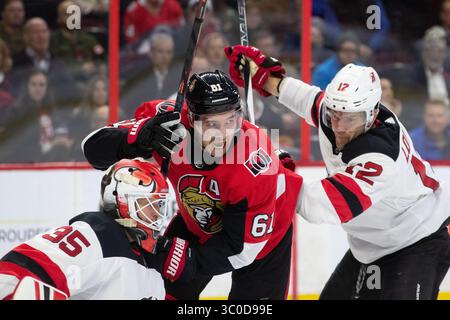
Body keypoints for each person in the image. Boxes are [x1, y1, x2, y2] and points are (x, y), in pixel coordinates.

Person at [225, 45, 450, 299]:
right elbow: (307, 98)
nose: (339, 126)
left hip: (419, 240)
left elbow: (322, 205)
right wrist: (266, 79)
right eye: (334, 114)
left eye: (348, 119)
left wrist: (269, 174)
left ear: (371, 114)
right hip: (372, 245)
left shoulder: (380, 158)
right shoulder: (340, 111)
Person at [82, 70, 303, 299]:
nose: (222, 135)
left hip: (263, 242)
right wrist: (140, 138)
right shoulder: (170, 121)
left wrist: (190, 261)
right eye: (211, 125)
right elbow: (92, 149)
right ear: (191, 119)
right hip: (198, 219)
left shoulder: (255, 165)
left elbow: (243, 250)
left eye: (230, 121)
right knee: (159, 292)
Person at [0, 158, 167, 300]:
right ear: (121, 201)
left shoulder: (152, 261)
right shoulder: (100, 237)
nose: (156, 214)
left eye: (158, 205)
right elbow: (14, 272)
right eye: (147, 204)